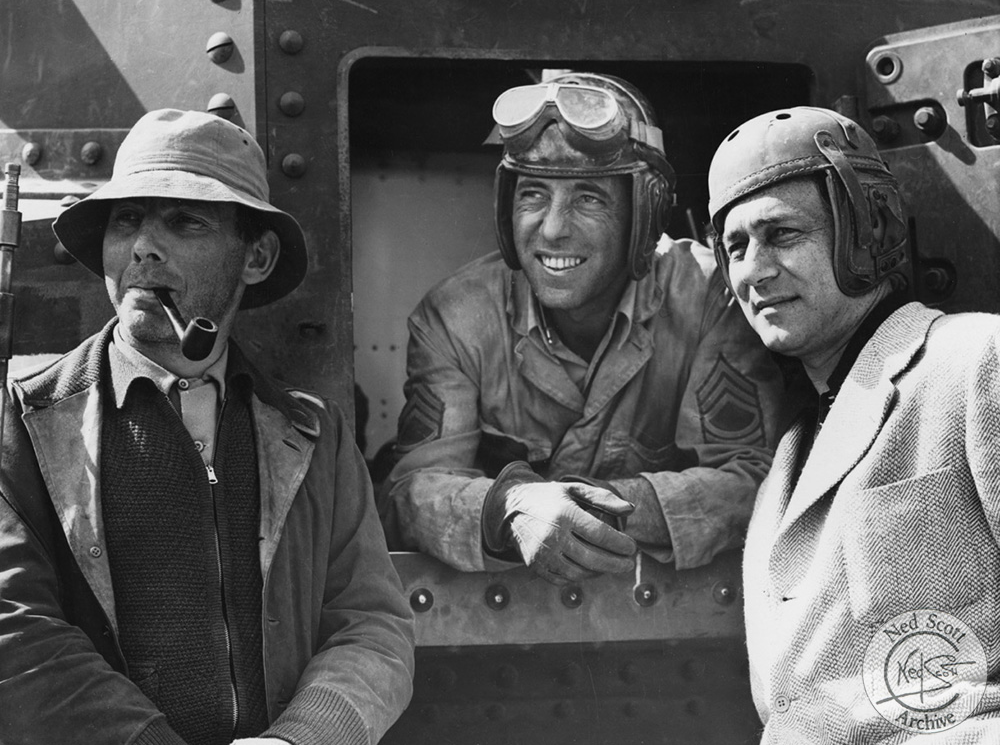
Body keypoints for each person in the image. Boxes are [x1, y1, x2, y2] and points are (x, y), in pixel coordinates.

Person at [0, 109, 414, 745]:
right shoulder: (24, 423)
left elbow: (370, 624)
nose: (142, 247)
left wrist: (302, 738)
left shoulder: (315, 436)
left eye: (184, 221)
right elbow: (13, 626)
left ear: (256, 256)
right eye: (126, 220)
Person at [379, 72, 793, 585]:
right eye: (532, 195)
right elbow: (410, 491)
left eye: (589, 199)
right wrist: (509, 507)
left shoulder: (709, 297)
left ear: (644, 214)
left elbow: (755, 479)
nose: (553, 229)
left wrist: (597, 511)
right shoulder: (456, 317)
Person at [709, 106, 1000, 742]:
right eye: (736, 248)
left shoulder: (977, 360)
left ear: (869, 230)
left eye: (782, 234)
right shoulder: (789, 460)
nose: (754, 269)